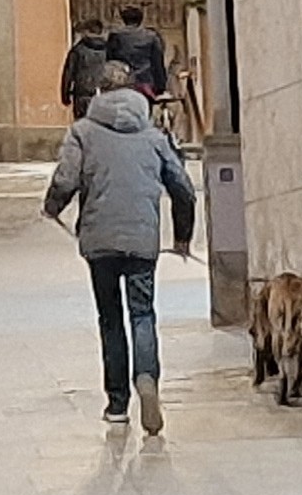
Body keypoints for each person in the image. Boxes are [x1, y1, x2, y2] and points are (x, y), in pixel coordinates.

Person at [41, 63, 198, 431]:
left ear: (99, 93)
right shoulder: (154, 137)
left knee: (110, 318)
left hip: (100, 240)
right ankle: (147, 378)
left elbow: (66, 178)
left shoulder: (82, 132)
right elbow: (183, 189)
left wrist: (52, 207)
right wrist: (182, 237)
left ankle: (117, 403)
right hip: (141, 240)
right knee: (142, 314)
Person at [106, 4, 173, 107]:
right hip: (146, 82)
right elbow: (157, 63)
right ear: (141, 20)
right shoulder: (152, 37)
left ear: (124, 20)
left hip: (122, 82)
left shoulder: (115, 36)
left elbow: (110, 60)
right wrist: (161, 87)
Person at [59, 20, 111, 120]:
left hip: (82, 94)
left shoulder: (78, 50)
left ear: (86, 31)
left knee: (82, 124)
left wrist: (65, 94)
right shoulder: (108, 49)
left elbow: (69, 73)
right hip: (104, 94)